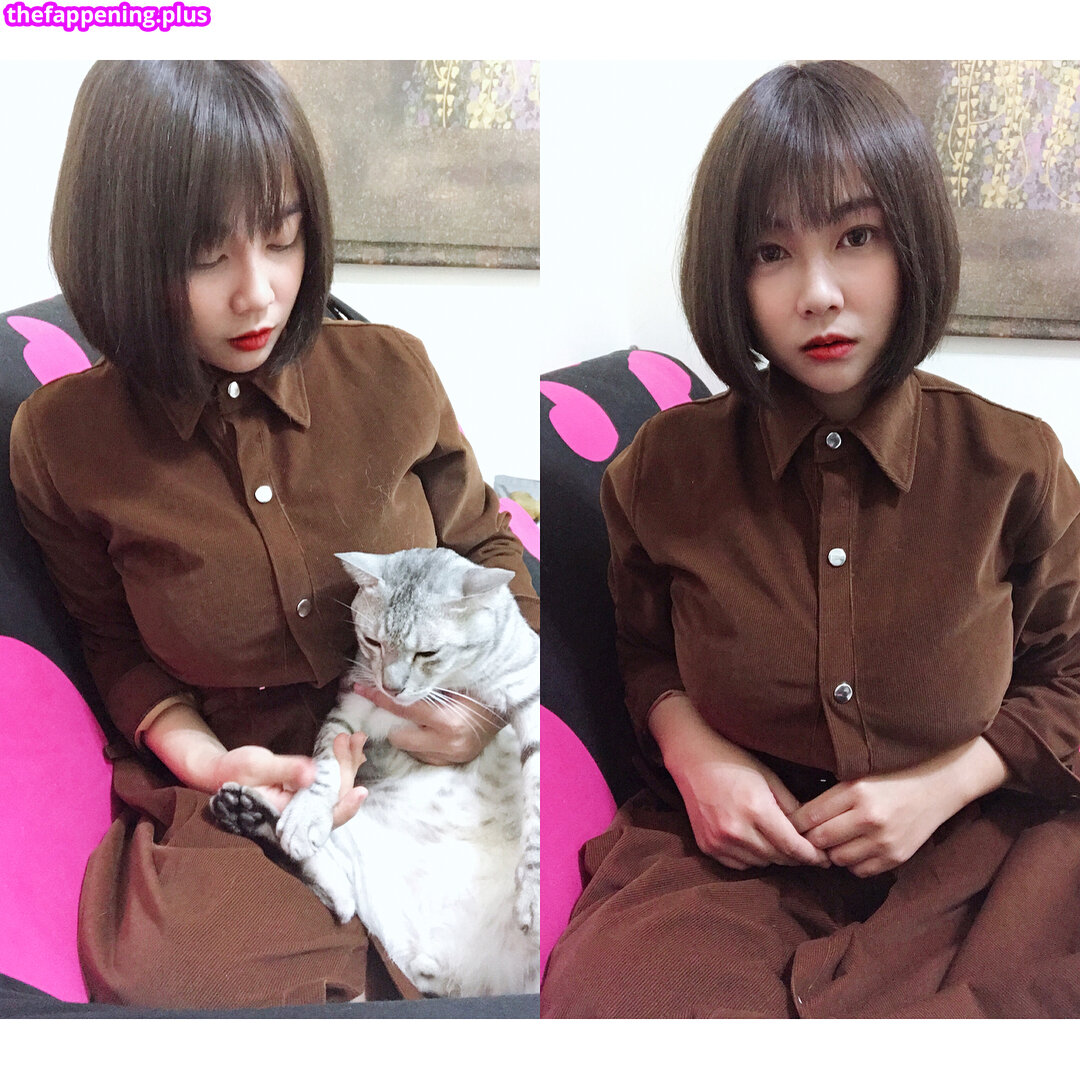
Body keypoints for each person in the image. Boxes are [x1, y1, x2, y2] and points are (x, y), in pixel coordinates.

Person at [540, 61, 1080, 1018]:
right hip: (731, 868)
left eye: (856, 237)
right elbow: (645, 651)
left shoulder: (1014, 464)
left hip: (985, 856)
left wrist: (946, 783)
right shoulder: (663, 469)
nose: (819, 292)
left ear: (911, 242)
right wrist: (693, 751)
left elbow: (1071, 672)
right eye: (771, 252)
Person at [9, 60, 538, 1009]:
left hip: (439, 748)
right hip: (240, 789)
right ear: (118, 249)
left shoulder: (393, 373)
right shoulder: (62, 442)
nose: (259, 293)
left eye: (283, 238)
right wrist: (209, 763)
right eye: (205, 256)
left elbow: (491, 551)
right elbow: (112, 645)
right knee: (178, 979)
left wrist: (481, 712)